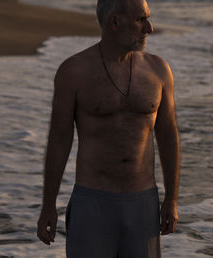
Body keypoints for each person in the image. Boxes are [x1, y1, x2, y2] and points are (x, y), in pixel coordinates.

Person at [36, 0, 181, 257]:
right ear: (114, 22)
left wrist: (171, 199)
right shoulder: (74, 72)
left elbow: (168, 136)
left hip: (143, 203)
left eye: (147, 18)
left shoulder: (158, 70)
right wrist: (48, 206)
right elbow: (59, 141)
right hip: (93, 203)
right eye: (140, 19)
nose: (149, 27)